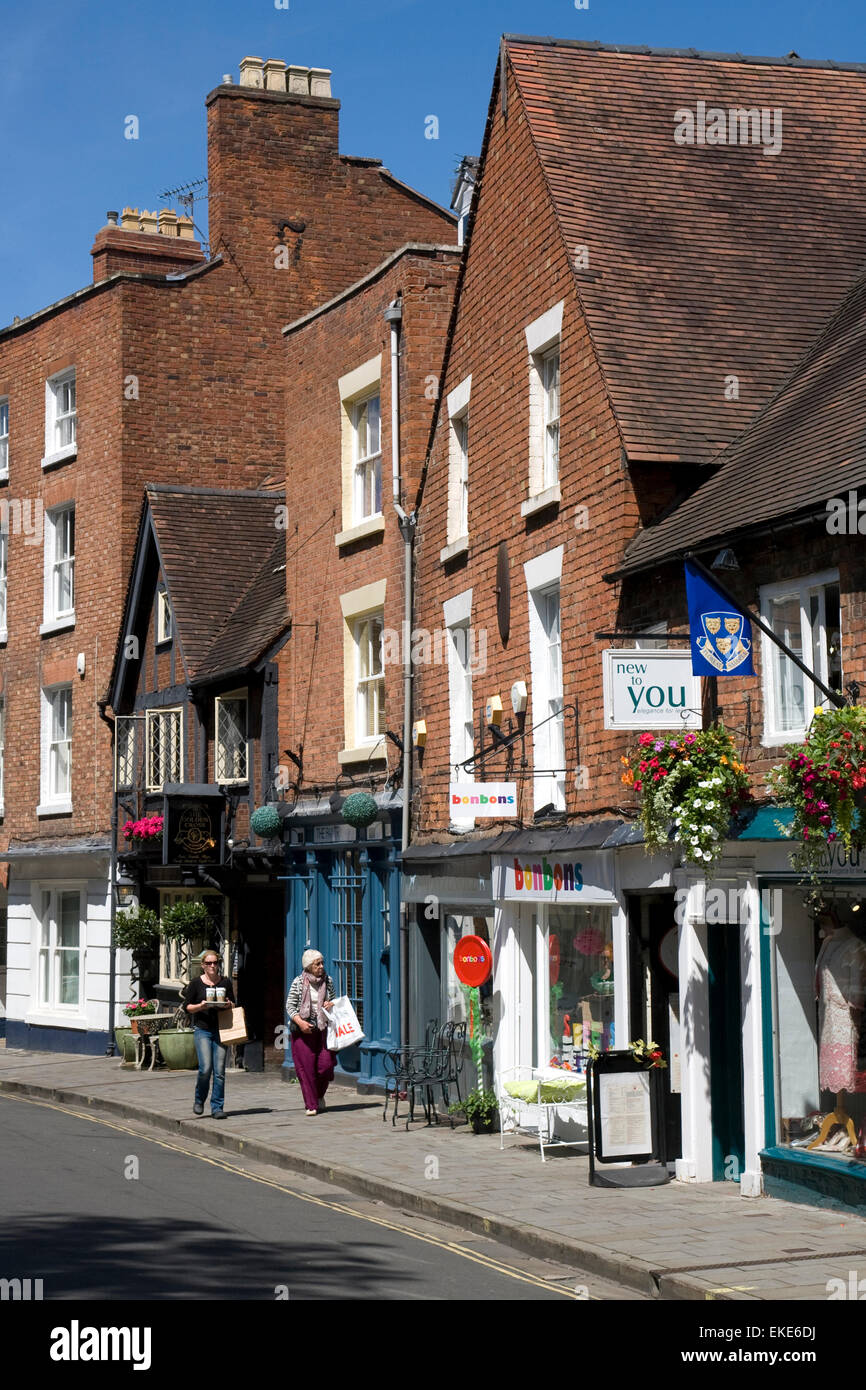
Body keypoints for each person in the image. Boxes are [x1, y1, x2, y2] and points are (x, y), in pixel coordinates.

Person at [184, 951, 236, 1118]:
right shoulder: (195, 984)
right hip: (203, 1030)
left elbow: (233, 1003)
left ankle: (217, 1108)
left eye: (215, 963)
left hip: (222, 1030)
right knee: (205, 1068)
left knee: (219, 1071)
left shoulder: (226, 982)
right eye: (209, 963)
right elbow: (187, 1007)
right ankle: (199, 1099)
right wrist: (201, 1006)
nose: (212, 966)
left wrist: (227, 1004)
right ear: (203, 965)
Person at [286, 949, 336, 1114]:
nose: (321, 966)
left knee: (326, 1066)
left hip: (323, 1030)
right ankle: (311, 1105)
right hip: (303, 1031)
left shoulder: (328, 981)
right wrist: (300, 1023)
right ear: (308, 966)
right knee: (306, 1069)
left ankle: (319, 1094)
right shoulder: (299, 982)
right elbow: (290, 1006)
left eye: (322, 963)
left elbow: (333, 1000)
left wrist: (331, 1004)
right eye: (317, 964)